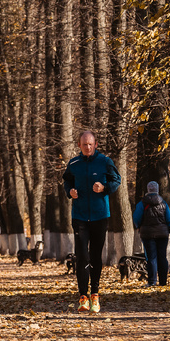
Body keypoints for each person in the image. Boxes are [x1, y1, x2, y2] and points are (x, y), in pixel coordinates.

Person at [62, 130, 122, 313]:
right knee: (82, 257)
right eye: (84, 144)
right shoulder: (74, 164)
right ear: (79, 145)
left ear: (96, 144)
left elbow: (117, 180)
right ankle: (83, 297)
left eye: (90, 144)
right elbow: (66, 181)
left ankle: (95, 294)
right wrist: (70, 191)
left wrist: (104, 188)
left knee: (95, 256)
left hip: (100, 216)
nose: (87, 147)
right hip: (79, 217)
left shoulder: (105, 161)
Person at [133, 181, 170, 287]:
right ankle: (163, 282)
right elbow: (169, 219)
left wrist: (138, 226)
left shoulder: (142, 203)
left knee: (151, 258)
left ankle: (152, 281)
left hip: (147, 235)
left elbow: (136, 217)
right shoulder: (163, 203)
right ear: (157, 190)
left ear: (148, 190)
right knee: (162, 257)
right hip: (162, 234)